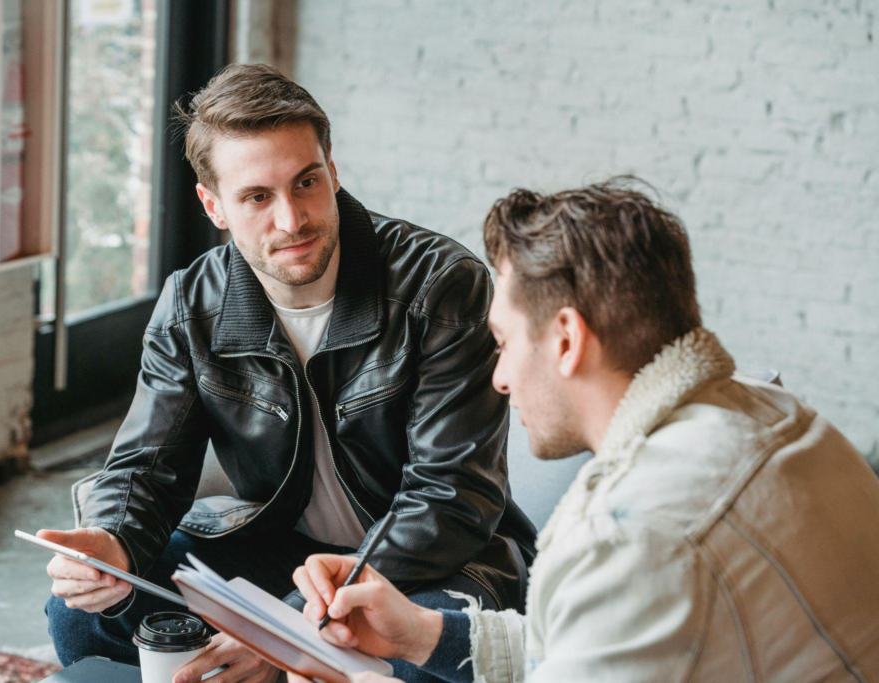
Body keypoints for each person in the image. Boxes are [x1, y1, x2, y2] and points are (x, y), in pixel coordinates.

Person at [38, 64, 537, 683]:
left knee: (406, 654)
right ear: (213, 205)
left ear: (333, 172)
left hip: (429, 562)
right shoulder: (192, 303)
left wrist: (290, 628)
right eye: (257, 197)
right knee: (81, 615)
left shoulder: (439, 285)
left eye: (306, 182)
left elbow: (451, 497)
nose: (292, 220)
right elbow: (146, 467)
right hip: (278, 547)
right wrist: (112, 545)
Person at [291, 178, 879, 682]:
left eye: (504, 343)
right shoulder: (780, 416)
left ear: (567, 341)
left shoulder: (637, 536)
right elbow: (581, 652)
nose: (499, 377)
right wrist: (421, 633)